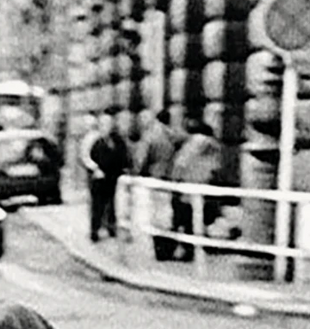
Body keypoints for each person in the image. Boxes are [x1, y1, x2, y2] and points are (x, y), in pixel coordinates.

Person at [168, 123, 226, 259]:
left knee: (183, 220)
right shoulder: (212, 146)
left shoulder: (190, 145)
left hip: (186, 189)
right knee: (195, 220)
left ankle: (185, 249)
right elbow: (216, 168)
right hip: (203, 188)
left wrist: (175, 182)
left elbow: (179, 165)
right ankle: (191, 248)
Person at [135, 108, 179, 257]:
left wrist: (140, 173)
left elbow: (142, 160)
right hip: (171, 179)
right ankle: (168, 247)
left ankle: (160, 250)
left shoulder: (150, 136)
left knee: (157, 216)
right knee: (168, 215)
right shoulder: (174, 135)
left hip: (155, 179)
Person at [83, 113, 131, 241]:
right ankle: (95, 231)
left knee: (112, 205)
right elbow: (88, 157)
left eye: (109, 124)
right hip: (99, 179)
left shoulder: (118, 141)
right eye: (104, 124)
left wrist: (124, 170)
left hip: (112, 178)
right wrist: (95, 169)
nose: (107, 127)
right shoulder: (96, 141)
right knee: (97, 206)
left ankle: (111, 228)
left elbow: (124, 157)